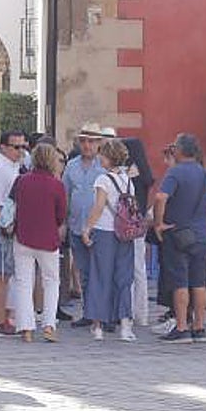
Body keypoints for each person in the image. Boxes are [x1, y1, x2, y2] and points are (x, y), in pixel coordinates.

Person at [153, 133, 206, 344]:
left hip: (178, 233)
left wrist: (159, 223)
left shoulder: (176, 172)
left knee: (180, 281)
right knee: (199, 282)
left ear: (179, 150)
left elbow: (161, 197)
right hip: (199, 234)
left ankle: (181, 327)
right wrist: (204, 226)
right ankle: (199, 327)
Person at [80, 139, 137, 342]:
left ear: (108, 157)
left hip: (105, 231)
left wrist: (87, 229)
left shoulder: (103, 180)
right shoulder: (128, 180)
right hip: (125, 233)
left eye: (102, 155)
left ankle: (97, 326)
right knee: (123, 278)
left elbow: (98, 207)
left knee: (100, 276)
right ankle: (125, 325)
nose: (99, 158)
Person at [10, 142, 66, 343]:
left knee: (24, 281)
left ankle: (26, 326)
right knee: (51, 281)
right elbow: (61, 215)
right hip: (48, 238)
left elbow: (12, 205)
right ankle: (49, 324)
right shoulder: (57, 185)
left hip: (23, 236)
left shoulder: (21, 181)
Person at [0, 131, 27, 336]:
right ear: (3, 147)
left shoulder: (13, 166)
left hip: (7, 228)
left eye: (22, 146)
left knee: (5, 274)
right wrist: (7, 226)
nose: (20, 151)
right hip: (0, 230)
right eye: (16, 147)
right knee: (1, 275)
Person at [63, 123, 106, 325]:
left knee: (102, 271)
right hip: (76, 225)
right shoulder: (71, 166)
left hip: (100, 227)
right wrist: (62, 222)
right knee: (84, 271)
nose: (87, 145)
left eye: (91, 141)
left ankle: (105, 314)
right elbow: (65, 195)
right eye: (83, 141)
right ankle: (89, 312)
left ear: (99, 143)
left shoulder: (104, 166)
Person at [122, 137, 155, 326]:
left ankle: (133, 310)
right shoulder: (144, 173)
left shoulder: (130, 173)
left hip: (128, 223)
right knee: (139, 269)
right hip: (139, 222)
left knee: (131, 269)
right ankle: (141, 312)